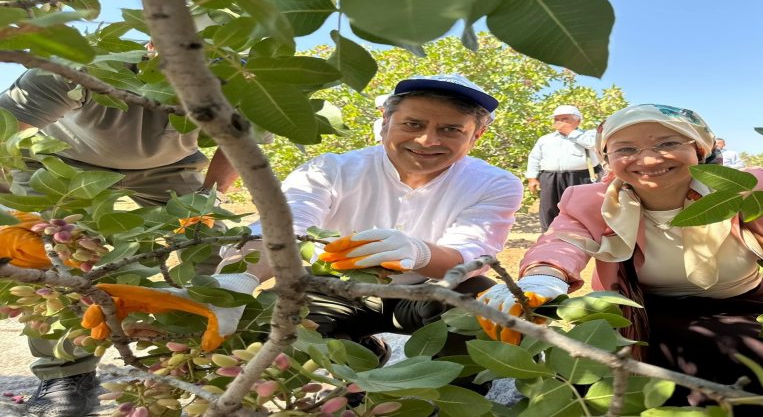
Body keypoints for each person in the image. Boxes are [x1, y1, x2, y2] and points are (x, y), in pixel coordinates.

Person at [80, 74, 524, 392]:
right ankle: (361, 362)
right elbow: (285, 224)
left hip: (429, 289)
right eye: (413, 124)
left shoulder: (496, 182)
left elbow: (474, 249)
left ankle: (457, 393)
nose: (428, 141)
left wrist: (419, 252)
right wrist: (238, 281)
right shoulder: (332, 169)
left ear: (476, 135)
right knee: (305, 338)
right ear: (386, 123)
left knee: (481, 299)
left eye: (450, 130)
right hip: (338, 286)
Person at [478, 104, 763, 415]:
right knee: (612, 375)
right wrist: (541, 278)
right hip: (638, 314)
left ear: (699, 150)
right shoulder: (592, 199)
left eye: (668, 143)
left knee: (748, 359)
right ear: (607, 159)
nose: (649, 159)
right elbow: (561, 242)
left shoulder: (747, 188)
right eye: (625, 149)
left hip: (744, 308)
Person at [0, 67, 255, 416]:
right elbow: (3, 135)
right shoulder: (67, 72)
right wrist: (10, 212)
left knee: (214, 241)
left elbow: (238, 145)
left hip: (170, 168)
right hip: (61, 162)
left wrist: (210, 200)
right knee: (47, 253)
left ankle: (209, 358)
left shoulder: (243, 82)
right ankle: (66, 377)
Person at [525, 105, 601, 231]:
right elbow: (534, 158)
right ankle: (549, 238)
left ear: (578, 121)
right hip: (550, 178)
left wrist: (571, 133)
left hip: (581, 177)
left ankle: (585, 239)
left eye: (565, 119)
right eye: (556, 119)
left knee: (582, 210)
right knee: (549, 209)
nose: (559, 122)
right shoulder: (545, 139)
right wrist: (532, 178)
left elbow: (595, 145)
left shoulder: (589, 135)